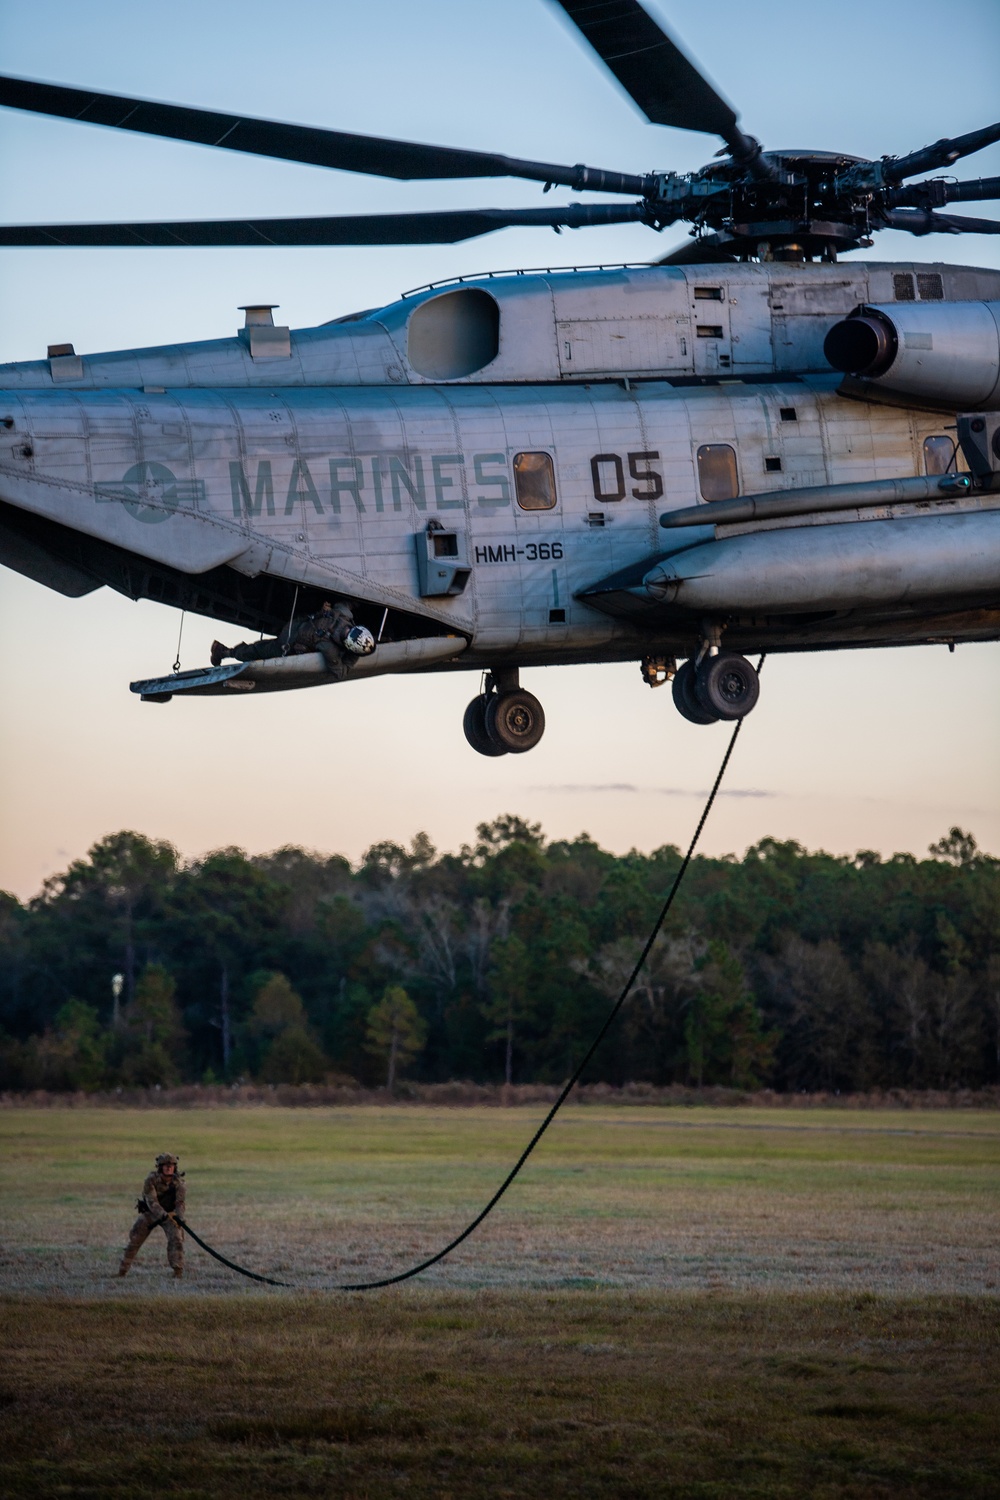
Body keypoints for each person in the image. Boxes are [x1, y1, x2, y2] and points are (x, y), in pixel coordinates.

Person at [211, 599, 373, 681]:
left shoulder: (343, 614)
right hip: (289, 640)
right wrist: (355, 655)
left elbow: (346, 603)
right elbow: (340, 673)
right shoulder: (329, 648)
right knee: (260, 651)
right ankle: (225, 652)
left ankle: (226, 651)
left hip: (299, 621)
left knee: (263, 646)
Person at [118, 1152, 186, 1279]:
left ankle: (178, 1271)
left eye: (171, 1165)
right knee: (135, 1239)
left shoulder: (179, 1183)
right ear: (160, 1167)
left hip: (171, 1215)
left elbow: (180, 1203)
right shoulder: (150, 1180)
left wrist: (179, 1218)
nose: (168, 1167)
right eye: (165, 1165)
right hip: (152, 1213)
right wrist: (163, 1215)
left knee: (177, 1239)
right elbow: (151, 1201)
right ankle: (122, 1271)